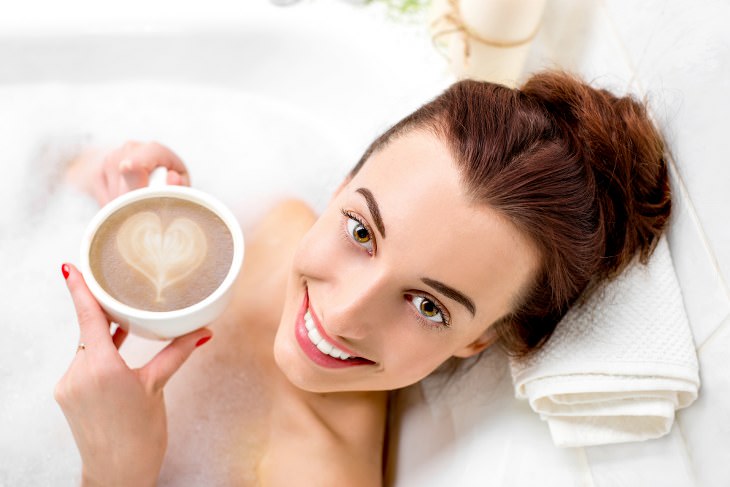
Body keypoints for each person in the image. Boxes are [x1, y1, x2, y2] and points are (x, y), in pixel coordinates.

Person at [54, 70, 670, 486]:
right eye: (360, 233)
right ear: (341, 186)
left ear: (477, 340)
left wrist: (114, 471)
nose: (345, 314)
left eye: (430, 306)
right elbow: (46, 162)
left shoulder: (315, 471)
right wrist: (108, 182)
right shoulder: (273, 222)